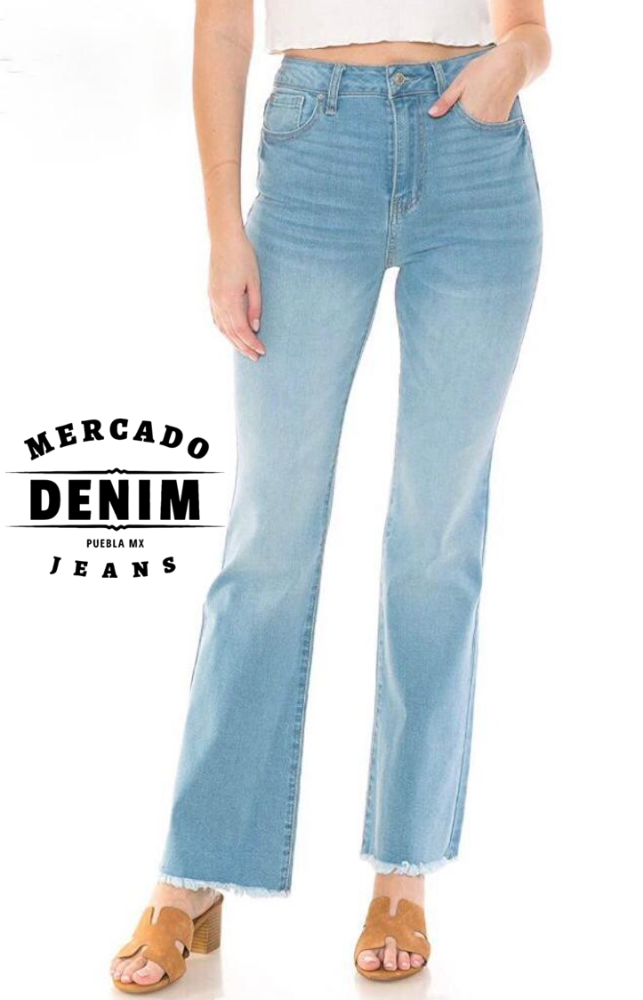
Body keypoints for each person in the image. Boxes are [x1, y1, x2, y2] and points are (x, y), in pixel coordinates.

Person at [111, 0, 551, 989]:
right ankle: (194, 874)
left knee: (435, 539)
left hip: (474, 156)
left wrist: (512, 65)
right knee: (267, 542)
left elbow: (528, 23)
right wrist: (223, 231)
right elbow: (224, 29)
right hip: (314, 152)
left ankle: (404, 872)